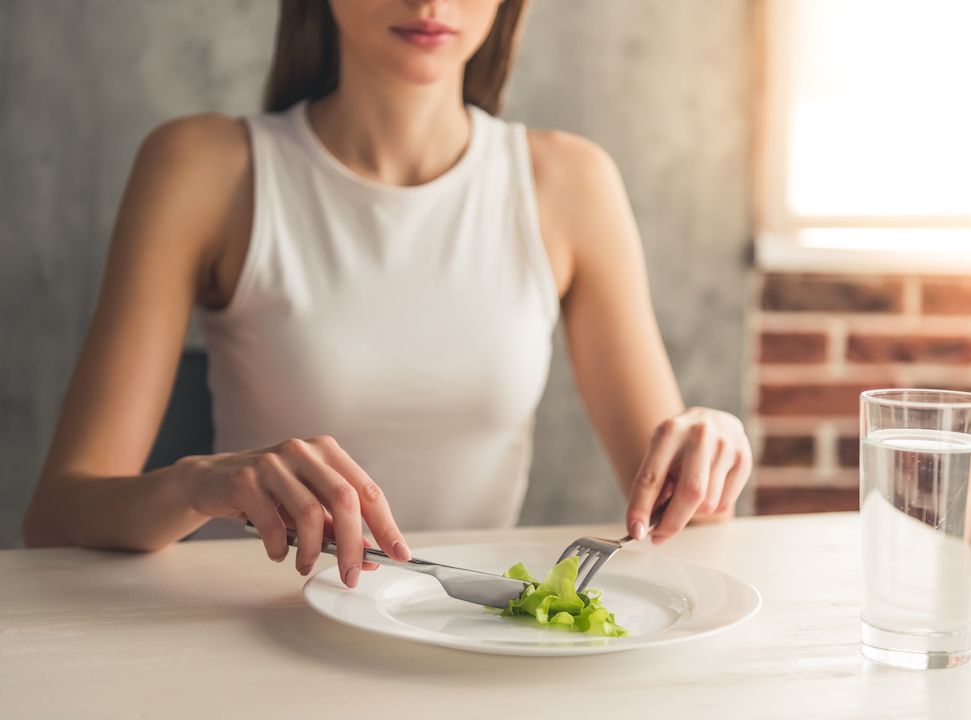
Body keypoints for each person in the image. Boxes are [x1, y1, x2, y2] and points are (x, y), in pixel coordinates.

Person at [22, 0, 752, 589]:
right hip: (247, 631)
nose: (429, 1)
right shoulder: (202, 168)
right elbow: (57, 516)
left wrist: (707, 450)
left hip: (467, 642)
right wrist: (194, 485)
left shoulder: (570, 183)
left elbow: (675, 520)